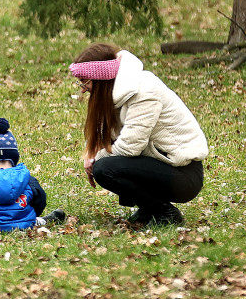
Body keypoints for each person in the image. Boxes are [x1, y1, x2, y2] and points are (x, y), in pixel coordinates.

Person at [69, 43, 208, 226]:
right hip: (161, 164)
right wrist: (91, 152)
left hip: (184, 175)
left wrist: (96, 159)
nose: (82, 88)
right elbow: (102, 130)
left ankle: (165, 213)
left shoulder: (143, 91)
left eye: (85, 81)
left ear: (101, 77)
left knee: (104, 169)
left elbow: (130, 147)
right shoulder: (116, 91)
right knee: (105, 165)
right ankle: (149, 208)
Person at [0, 118, 65, 231]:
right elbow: (40, 201)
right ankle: (39, 221)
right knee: (32, 218)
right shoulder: (27, 180)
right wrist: (29, 212)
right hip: (24, 224)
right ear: (14, 157)